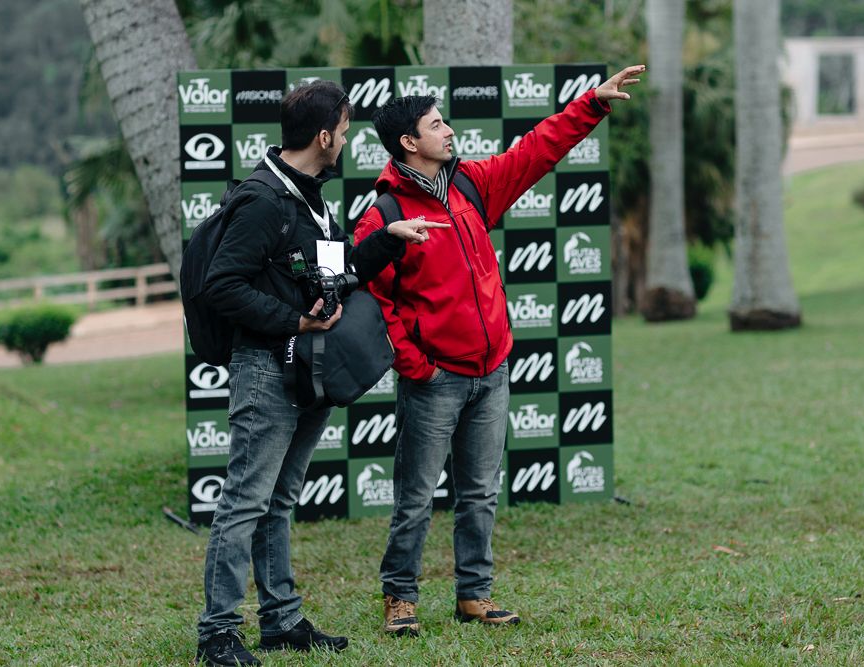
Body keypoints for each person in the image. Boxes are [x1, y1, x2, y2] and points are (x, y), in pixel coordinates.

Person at [355, 64, 646, 636]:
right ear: (409, 143)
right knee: (415, 497)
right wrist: (419, 365)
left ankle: (474, 595)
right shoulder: (384, 214)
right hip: (434, 380)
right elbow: (374, 301)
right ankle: (400, 598)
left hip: (492, 371)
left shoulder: (470, 185)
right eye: (437, 125)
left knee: (481, 494)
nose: (449, 131)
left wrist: (592, 103)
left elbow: (537, 150)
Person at [195, 80, 448, 666]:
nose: (347, 141)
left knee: (279, 501)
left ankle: (281, 620)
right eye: (345, 130)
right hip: (266, 369)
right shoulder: (263, 198)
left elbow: (334, 274)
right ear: (325, 135)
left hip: (305, 371)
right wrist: (293, 321)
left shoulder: (309, 196)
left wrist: (386, 238)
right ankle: (218, 633)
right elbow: (222, 285)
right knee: (244, 502)